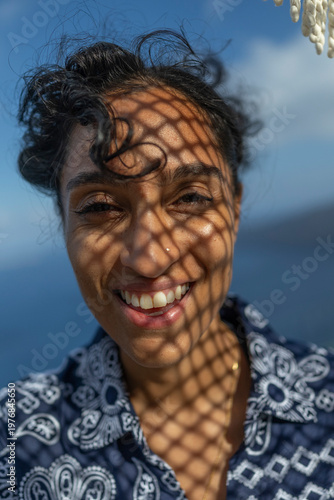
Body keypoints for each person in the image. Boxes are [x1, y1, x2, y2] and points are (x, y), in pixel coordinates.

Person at [0, 30, 333, 500]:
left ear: (234, 212)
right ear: (65, 226)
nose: (152, 256)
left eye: (191, 198)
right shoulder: (15, 437)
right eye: (99, 206)